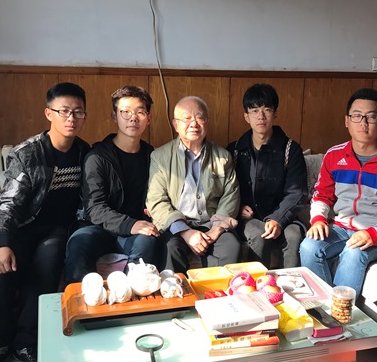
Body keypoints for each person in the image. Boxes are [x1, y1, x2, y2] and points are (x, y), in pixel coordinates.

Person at [0, 82, 90, 362]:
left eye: (78, 112)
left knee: (48, 261)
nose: (71, 118)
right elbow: (9, 203)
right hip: (23, 227)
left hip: (57, 230)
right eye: (64, 111)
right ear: (49, 113)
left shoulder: (84, 153)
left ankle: (27, 343)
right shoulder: (28, 153)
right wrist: (1, 242)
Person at [299, 88, 377, 296]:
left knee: (353, 253)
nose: (363, 123)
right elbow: (321, 194)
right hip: (341, 226)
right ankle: (321, 306)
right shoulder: (334, 156)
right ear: (347, 121)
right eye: (357, 116)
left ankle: (340, 312)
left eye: (371, 116)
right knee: (309, 247)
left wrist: (374, 233)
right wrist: (318, 219)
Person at [64, 86, 162, 283]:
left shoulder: (153, 157)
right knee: (78, 243)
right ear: (114, 116)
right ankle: (82, 299)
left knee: (148, 242)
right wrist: (129, 224)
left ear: (148, 118)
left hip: (136, 230)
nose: (133, 118)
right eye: (125, 112)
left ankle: (132, 294)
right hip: (98, 228)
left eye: (140, 112)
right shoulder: (97, 157)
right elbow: (94, 208)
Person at [146, 96, 241, 273]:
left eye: (199, 117)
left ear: (207, 122)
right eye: (187, 118)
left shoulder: (222, 156)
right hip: (176, 226)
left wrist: (216, 229)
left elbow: (231, 195)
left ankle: (218, 291)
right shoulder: (160, 157)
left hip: (211, 224)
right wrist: (185, 232)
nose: (194, 124)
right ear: (175, 124)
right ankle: (178, 291)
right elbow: (156, 200)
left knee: (231, 246)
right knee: (170, 248)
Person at [227, 83, 307, 268]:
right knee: (258, 233)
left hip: (283, 215)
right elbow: (225, 189)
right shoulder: (235, 150)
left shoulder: (291, 149)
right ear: (246, 116)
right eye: (254, 111)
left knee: (294, 235)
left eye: (267, 110)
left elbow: (297, 193)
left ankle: (292, 283)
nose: (261, 116)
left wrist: (278, 218)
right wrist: (237, 207)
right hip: (248, 218)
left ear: (275, 113)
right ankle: (256, 283)